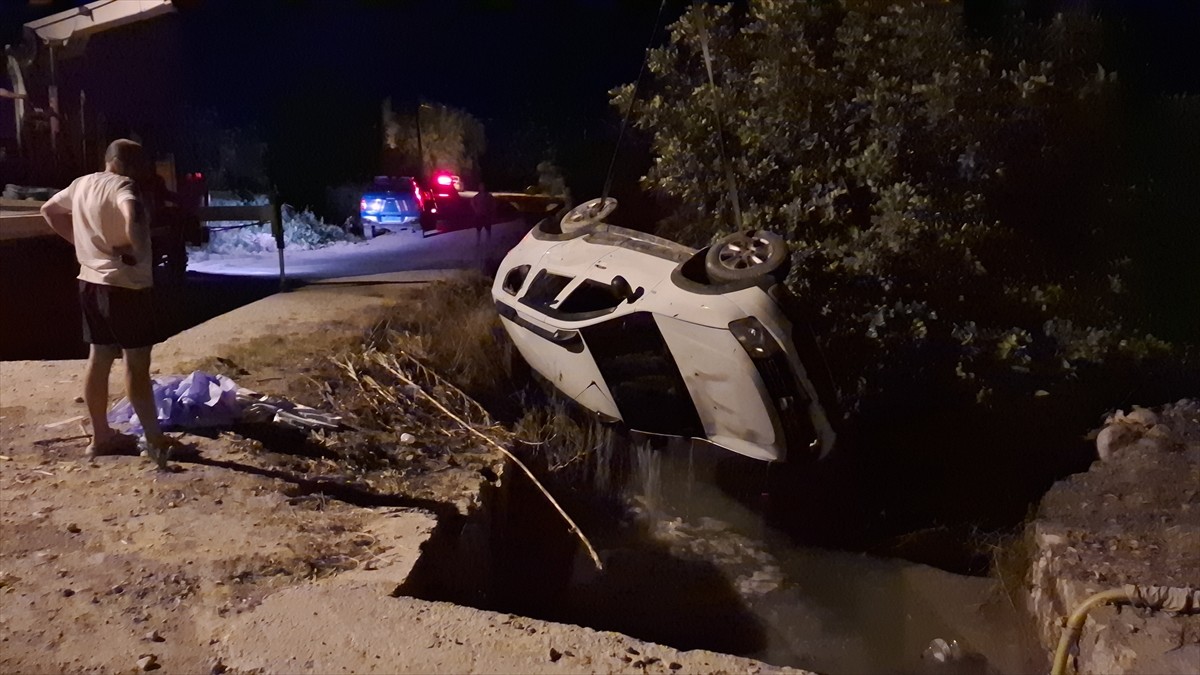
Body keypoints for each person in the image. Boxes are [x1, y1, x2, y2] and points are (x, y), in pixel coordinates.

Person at [40, 139, 178, 469]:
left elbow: (49, 210)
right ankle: (155, 441)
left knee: (99, 357)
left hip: (90, 283)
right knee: (136, 364)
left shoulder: (82, 184)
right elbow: (131, 211)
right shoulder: (124, 185)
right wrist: (139, 250)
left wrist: (82, 244)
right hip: (126, 287)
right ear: (125, 164)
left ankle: (101, 436)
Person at [471, 182, 497, 246]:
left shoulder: (488, 196)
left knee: (488, 229)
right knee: (478, 229)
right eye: (480, 186)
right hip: (479, 215)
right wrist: (476, 210)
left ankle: (488, 241)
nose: (481, 187)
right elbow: (472, 203)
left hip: (486, 215)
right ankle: (478, 242)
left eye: (482, 186)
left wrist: (491, 210)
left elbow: (493, 204)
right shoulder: (477, 196)